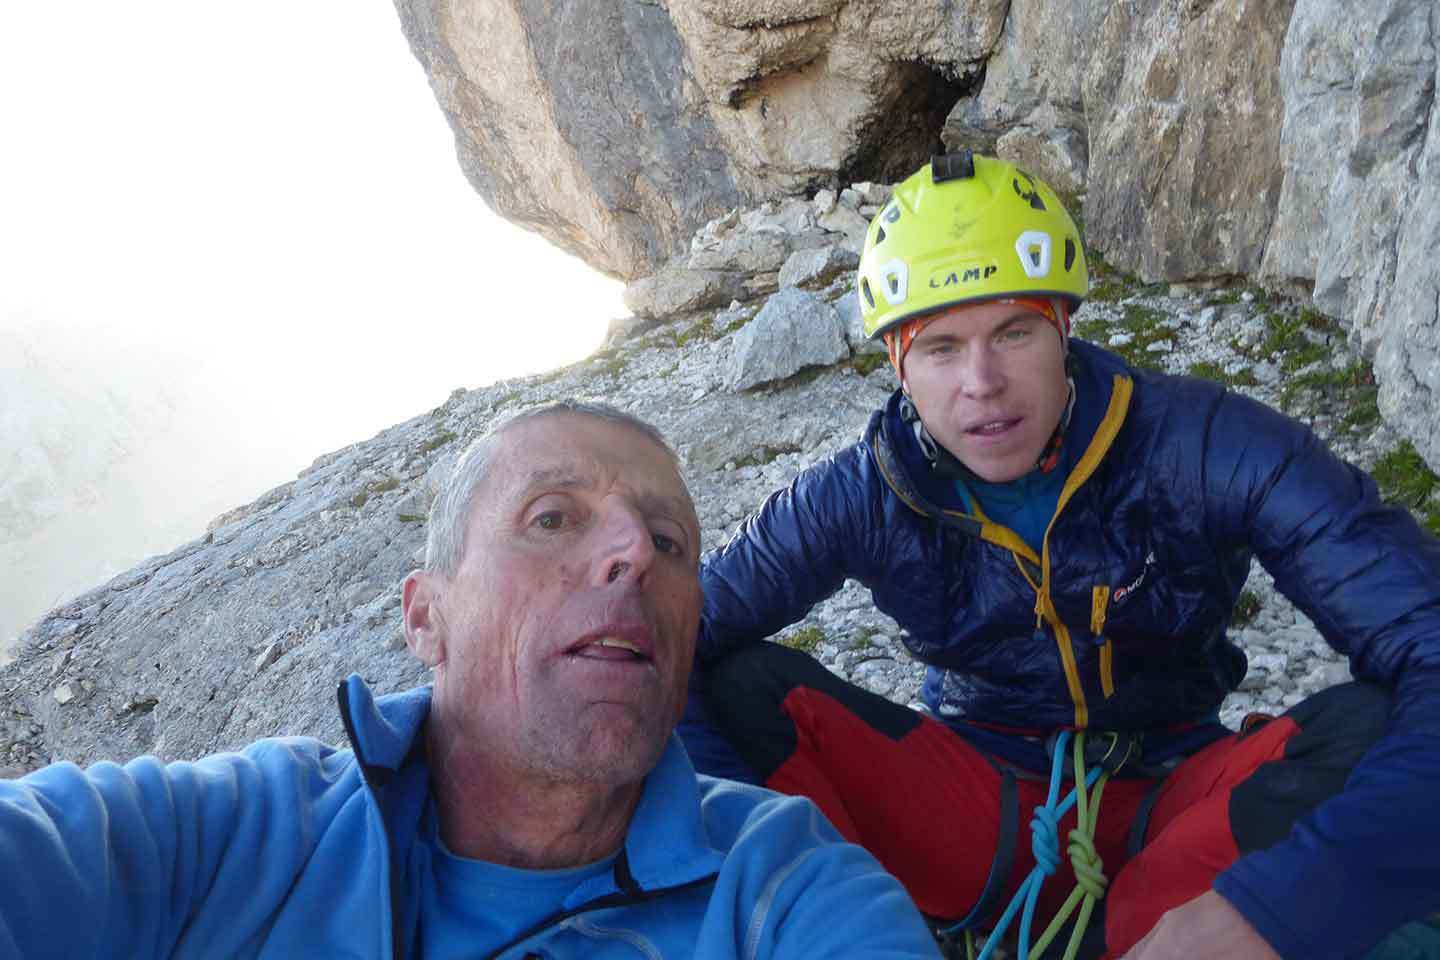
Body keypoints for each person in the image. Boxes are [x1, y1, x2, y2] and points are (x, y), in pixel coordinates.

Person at [681, 153, 1440, 959]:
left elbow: (1427, 636)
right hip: (983, 812)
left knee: (1374, 723)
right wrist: (743, 885)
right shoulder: (859, 490)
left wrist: (1274, 908)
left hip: (1177, 798)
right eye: (940, 347)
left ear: (1063, 328)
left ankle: (1145, 930)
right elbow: (668, 639)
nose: (982, 382)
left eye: (1013, 331)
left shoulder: (1210, 443)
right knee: (735, 688)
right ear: (898, 365)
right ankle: (860, 929)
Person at [0, 401, 943, 959]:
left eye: (668, 542)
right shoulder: (237, 837)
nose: (630, 554)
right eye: (551, 519)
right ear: (425, 616)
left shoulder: (783, 889)